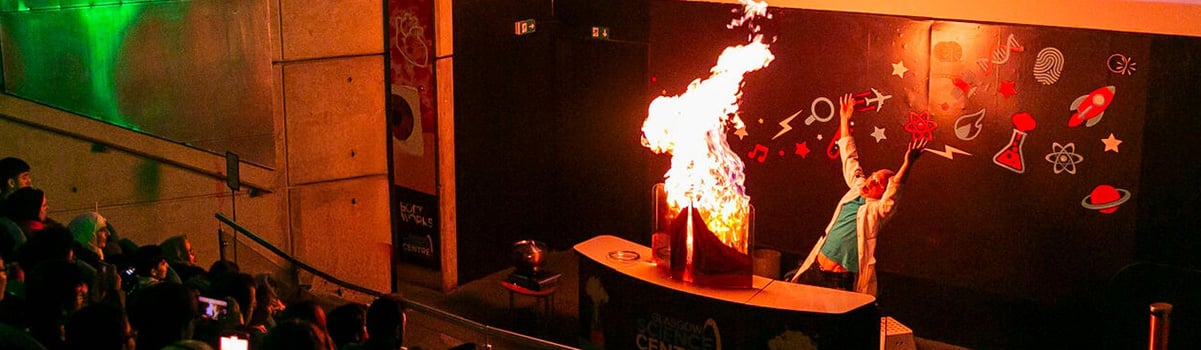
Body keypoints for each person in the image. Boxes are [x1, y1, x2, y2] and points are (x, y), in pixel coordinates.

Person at [791, 93, 927, 295]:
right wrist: (844, 119)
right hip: (815, 269)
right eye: (873, 175)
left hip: (838, 281)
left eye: (878, 182)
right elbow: (849, 156)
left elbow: (894, 192)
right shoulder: (857, 188)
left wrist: (908, 163)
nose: (871, 180)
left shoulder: (876, 211)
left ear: (882, 192)